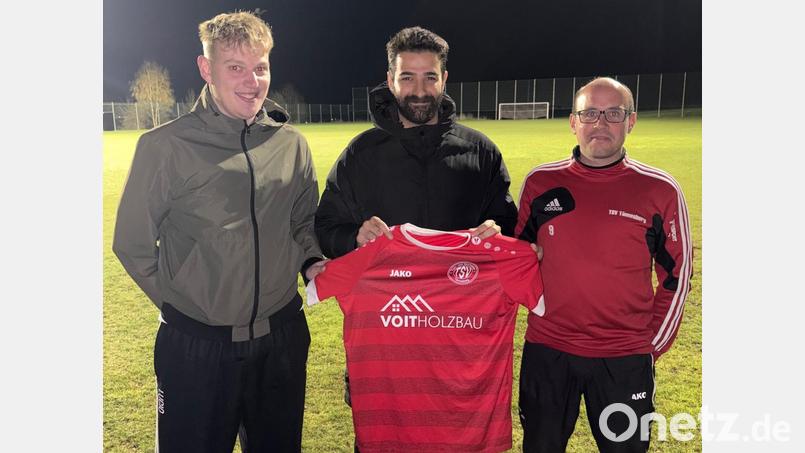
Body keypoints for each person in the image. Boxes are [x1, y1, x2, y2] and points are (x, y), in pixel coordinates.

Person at [112, 11, 325, 453]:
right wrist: (188, 307)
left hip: (282, 340)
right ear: (206, 69)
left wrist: (311, 263)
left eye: (260, 67)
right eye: (235, 67)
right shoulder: (164, 146)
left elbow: (303, 222)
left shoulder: (291, 144)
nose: (252, 81)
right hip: (196, 349)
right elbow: (132, 245)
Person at [313, 26, 519, 450]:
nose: (420, 90)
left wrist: (499, 233)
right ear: (390, 80)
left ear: (445, 79)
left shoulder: (479, 153)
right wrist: (353, 237)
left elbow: (509, 229)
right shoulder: (361, 155)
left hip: (459, 358)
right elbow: (325, 228)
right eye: (408, 77)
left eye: (430, 77)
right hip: (386, 360)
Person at [515, 77, 692, 452]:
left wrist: (650, 346)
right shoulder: (541, 183)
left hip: (624, 356)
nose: (600, 123)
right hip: (548, 350)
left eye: (614, 113)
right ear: (573, 122)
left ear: (631, 121)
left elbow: (677, 276)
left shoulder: (659, 189)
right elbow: (515, 259)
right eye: (590, 113)